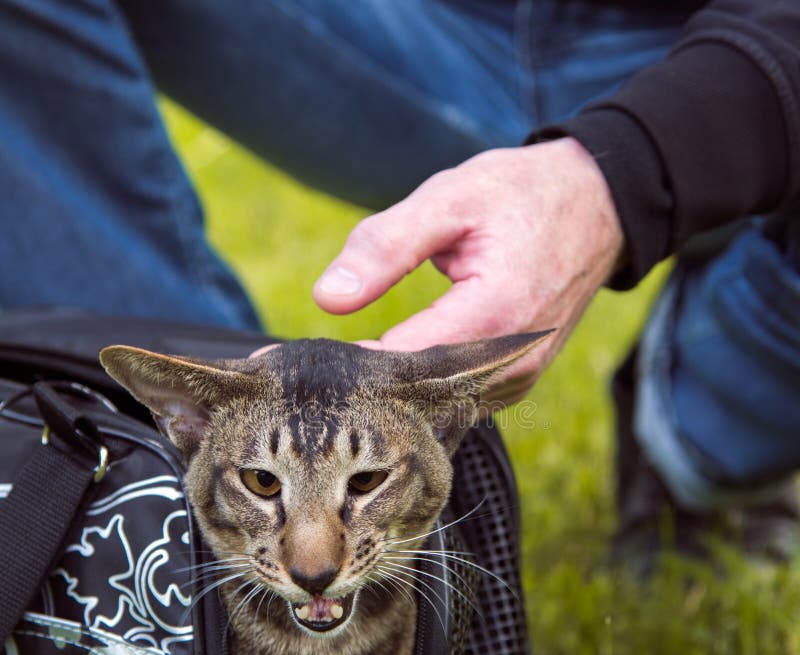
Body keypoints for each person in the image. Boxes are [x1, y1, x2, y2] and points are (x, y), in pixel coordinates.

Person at [1, 1, 798, 565]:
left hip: (726, 50)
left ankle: (706, 432)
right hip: (430, 23)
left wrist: (618, 179)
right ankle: (156, 500)